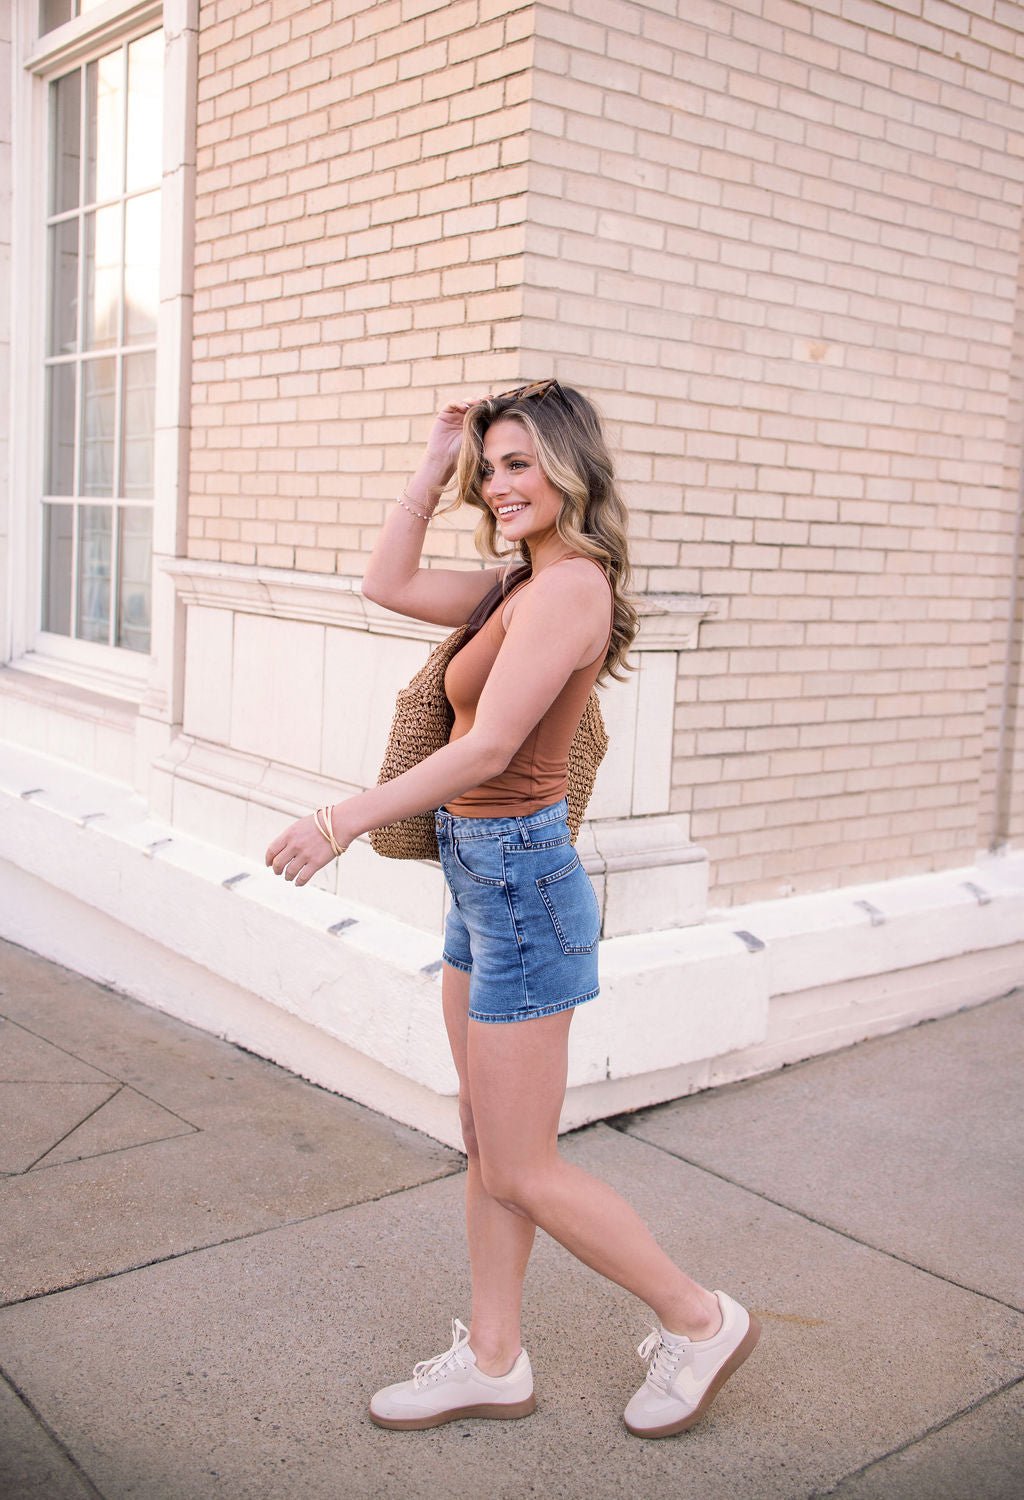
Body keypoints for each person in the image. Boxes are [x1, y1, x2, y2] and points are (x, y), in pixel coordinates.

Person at [265, 380, 760, 1438]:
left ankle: (698, 1317)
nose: (497, 485)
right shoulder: (512, 587)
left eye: (518, 463)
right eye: (488, 468)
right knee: (483, 1135)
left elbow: (485, 749)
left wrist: (341, 819)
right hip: (479, 879)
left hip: (523, 886)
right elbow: (384, 581)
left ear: (570, 470)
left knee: (523, 1162)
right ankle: (493, 1361)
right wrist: (435, 455)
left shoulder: (570, 589)